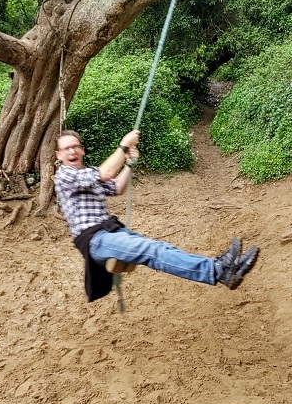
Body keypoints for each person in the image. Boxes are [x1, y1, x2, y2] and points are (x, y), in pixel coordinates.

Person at [54, 129, 259, 302]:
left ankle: (226, 269)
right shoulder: (64, 175)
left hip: (109, 233)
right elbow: (106, 173)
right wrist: (124, 145)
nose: (72, 151)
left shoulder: (88, 173)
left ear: (82, 150)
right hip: (95, 240)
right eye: (66, 148)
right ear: (59, 155)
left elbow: (116, 188)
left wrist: (129, 165)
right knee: (152, 250)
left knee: (159, 249)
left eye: (76, 146)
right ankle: (217, 271)